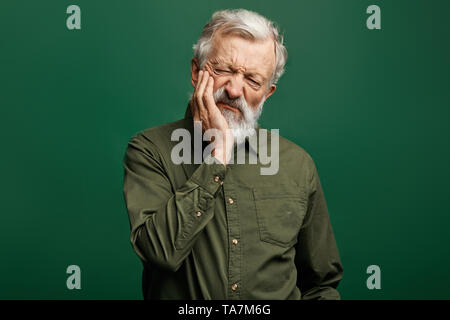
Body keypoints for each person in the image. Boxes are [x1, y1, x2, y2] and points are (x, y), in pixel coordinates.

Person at [123, 8, 343, 300]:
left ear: (267, 93)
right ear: (195, 71)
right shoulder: (150, 150)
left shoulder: (297, 165)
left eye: (253, 80)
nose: (234, 89)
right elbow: (159, 253)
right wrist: (218, 156)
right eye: (224, 69)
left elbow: (322, 283)